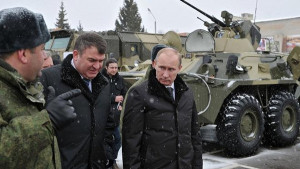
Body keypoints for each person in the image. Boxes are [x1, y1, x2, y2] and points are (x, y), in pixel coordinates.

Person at [0, 7, 81, 169]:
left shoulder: (24, 86)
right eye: (42, 49)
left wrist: (43, 109)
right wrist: (47, 120)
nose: (45, 56)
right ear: (23, 55)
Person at [40, 32, 114, 169]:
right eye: (92, 60)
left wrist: (107, 152)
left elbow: (107, 124)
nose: (97, 66)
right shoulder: (48, 79)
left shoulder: (104, 84)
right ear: (75, 55)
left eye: (101, 61)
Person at [122, 47, 203, 169]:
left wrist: (197, 165)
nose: (165, 74)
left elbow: (194, 136)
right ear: (154, 64)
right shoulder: (139, 94)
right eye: (162, 68)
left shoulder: (186, 93)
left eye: (171, 69)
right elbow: (131, 142)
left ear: (179, 69)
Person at [101, 58, 127, 169]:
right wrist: (113, 98)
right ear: (106, 67)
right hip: (104, 117)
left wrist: (122, 103)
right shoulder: (100, 79)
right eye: (112, 67)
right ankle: (108, 162)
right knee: (105, 141)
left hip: (116, 116)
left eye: (116, 68)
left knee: (118, 140)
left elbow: (125, 93)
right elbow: (99, 96)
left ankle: (113, 159)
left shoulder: (120, 79)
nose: (114, 70)